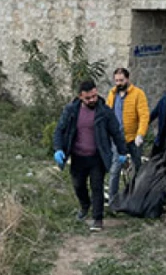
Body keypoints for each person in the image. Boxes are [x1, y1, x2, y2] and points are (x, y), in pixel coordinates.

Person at [53, 80, 128, 232]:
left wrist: (122, 151)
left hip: (97, 157)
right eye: (88, 98)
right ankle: (85, 205)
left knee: (97, 187)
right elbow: (59, 130)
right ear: (80, 97)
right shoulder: (71, 111)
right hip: (78, 156)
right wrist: (58, 149)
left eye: (94, 96)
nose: (93, 100)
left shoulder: (104, 112)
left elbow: (116, 132)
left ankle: (98, 218)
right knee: (78, 185)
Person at [104, 68, 150, 202]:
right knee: (115, 169)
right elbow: (107, 114)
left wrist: (140, 134)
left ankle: (137, 195)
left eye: (121, 80)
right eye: (117, 80)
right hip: (118, 139)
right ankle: (113, 199)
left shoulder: (138, 94)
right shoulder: (112, 94)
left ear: (128, 79)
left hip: (134, 139)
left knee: (138, 167)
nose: (119, 83)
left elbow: (144, 115)